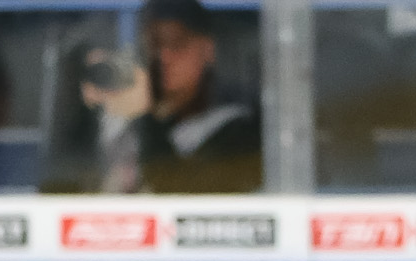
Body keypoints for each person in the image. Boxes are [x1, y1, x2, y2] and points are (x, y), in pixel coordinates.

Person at [48, 0, 261, 194]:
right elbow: (57, 186)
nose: (164, 57)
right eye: (153, 46)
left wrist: (145, 115)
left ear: (207, 50)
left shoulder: (238, 128)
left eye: (176, 44)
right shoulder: (125, 123)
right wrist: (90, 113)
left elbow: (176, 192)